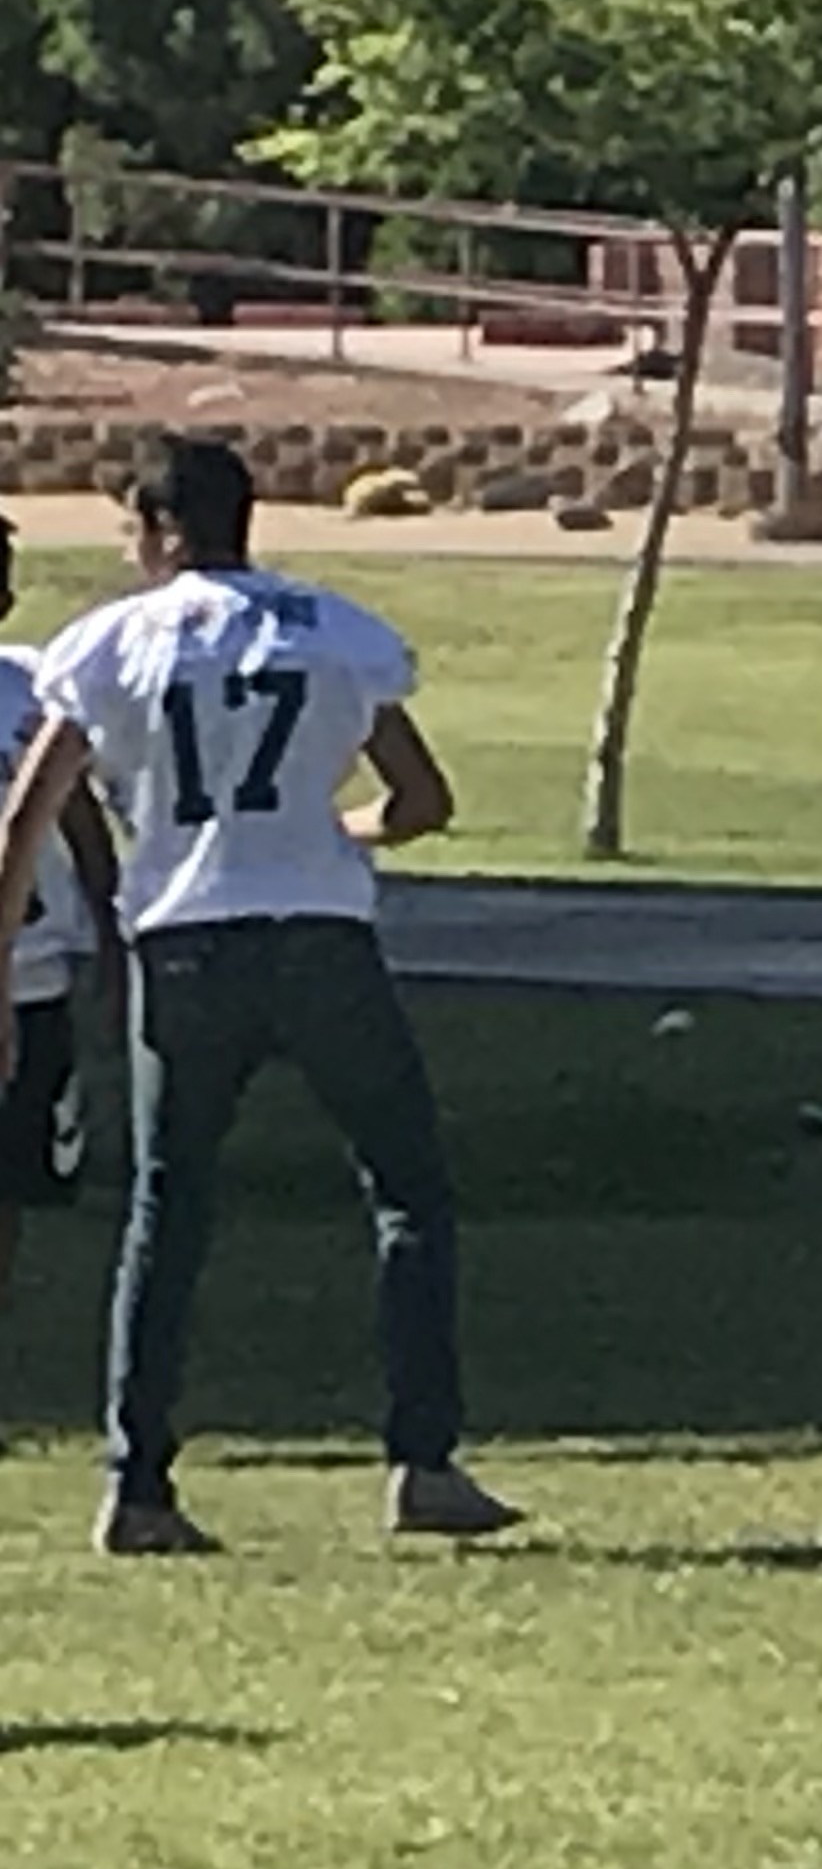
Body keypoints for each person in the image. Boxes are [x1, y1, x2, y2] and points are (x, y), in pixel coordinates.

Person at [0, 436, 520, 1553]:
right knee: (407, 1190)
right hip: (321, 934)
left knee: (168, 1208)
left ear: (161, 529)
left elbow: (27, 820)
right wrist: (338, 829)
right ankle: (424, 1461)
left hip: (186, 940)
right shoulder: (330, 629)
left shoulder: (110, 641)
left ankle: (139, 1484)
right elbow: (422, 800)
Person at [0, 512, 122, 1333]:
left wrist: (110, 928)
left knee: (13, 1170)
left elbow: (79, 816)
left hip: (31, 970)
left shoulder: (33, 684)